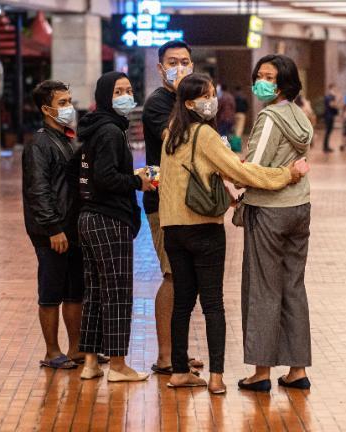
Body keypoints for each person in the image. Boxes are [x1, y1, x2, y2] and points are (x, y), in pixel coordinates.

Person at [160, 73, 307, 394]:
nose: (212, 100)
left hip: (173, 228)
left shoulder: (170, 133)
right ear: (189, 103)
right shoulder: (204, 135)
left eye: (213, 93)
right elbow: (240, 171)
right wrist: (286, 174)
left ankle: (179, 371)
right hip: (203, 229)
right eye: (206, 96)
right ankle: (215, 377)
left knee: (182, 302)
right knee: (213, 304)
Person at [237, 54, 314, 393]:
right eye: (259, 74)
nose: (260, 80)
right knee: (293, 286)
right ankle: (297, 370)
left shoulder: (269, 118)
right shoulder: (301, 117)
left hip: (269, 209)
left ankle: (261, 372)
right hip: (299, 207)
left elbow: (253, 166)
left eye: (268, 76)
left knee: (263, 288)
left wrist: (235, 168)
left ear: (283, 83)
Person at [76, 72, 155, 382]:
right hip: (109, 218)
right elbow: (106, 178)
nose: (125, 95)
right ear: (105, 96)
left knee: (95, 292)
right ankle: (119, 365)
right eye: (118, 91)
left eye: (128, 89)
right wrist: (138, 181)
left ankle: (91, 361)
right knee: (119, 292)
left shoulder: (96, 128)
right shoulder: (110, 131)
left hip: (89, 218)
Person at [141, 40, 204, 375]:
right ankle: (166, 356)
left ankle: (178, 351)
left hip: (189, 200)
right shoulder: (158, 103)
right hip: (164, 203)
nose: (180, 66)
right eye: (173, 61)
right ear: (160, 68)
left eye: (185, 61)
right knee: (172, 275)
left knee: (185, 279)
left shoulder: (188, 102)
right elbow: (176, 140)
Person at [23, 80, 84, 371]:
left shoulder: (67, 139)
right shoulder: (39, 143)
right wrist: (53, 229)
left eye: (69, 101)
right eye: (62, 103)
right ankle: (51, 351)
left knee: (74, 291)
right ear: (46, 109)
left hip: (72, 229)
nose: (69, 107)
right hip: (53, 232)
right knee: (51, 291)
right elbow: (38, 190)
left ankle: (75, 348)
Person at [322, 84, 340, 153]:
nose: (335, 91)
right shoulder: (330, 97)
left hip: (329, 115)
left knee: (328, 132)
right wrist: (337, 101)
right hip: (329, 116)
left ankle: (326, 146)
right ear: (331, 89)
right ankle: (325, 147)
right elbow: (332, 105)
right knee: (328, 131)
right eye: (334, 89)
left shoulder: (330, 97)